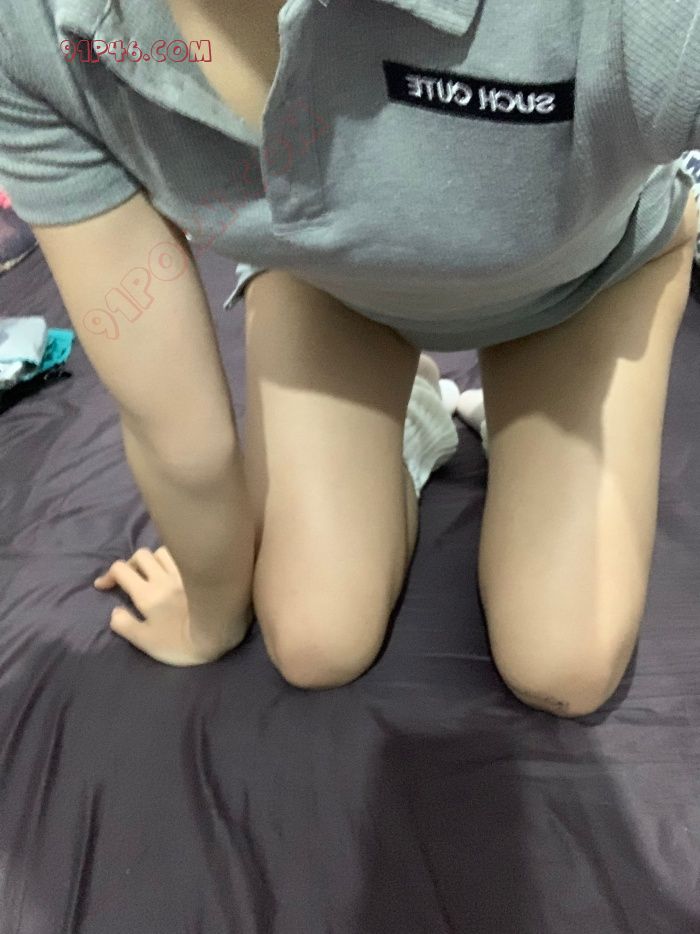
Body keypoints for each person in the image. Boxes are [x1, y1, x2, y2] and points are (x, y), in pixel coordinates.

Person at [0, 0, 698, 718]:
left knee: (564, 663)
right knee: (315, 640)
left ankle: (532, 407)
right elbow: (180, 434)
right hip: (331, 287)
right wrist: (210, 614)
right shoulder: (40, 31)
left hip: (581, 282)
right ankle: (417, 412)